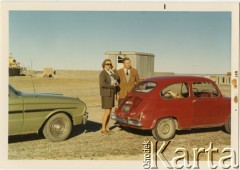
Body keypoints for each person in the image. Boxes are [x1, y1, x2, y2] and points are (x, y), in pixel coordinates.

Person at [99, 59, 119, 134]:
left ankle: (106, 128)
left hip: (111, 94)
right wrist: (112, 86)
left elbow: (117, 78)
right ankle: (103, 129)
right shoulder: (103, 73)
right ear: (104, 65)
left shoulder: (110, 72)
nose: (109, 65)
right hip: (106, 94)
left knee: (109, 112)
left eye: (110, 64)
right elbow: (102, 84)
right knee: (107, 112)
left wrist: (113, 71)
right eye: (107, 64)